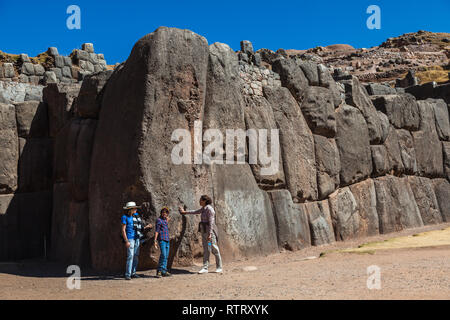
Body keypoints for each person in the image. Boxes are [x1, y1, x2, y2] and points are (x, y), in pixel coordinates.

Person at [179, 195, 223, 274]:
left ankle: (219, 267)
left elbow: (211, 223)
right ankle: (205, 268)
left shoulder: (210, 209)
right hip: (204, 232)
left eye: (200, 200)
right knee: (206, 249)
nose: (199, 202)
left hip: (210, 233)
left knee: (214, 248)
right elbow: (195, 211)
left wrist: (209, 234)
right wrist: (185, 212)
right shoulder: (203, 209)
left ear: (204, 201)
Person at [121, 201, 152, 280]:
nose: (136, 209)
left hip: (137, 238)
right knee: (130, 256)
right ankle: (128, 274)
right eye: (134, 208)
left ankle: (133, 272)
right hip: (130, 238)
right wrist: (126, 241)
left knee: (136, 256)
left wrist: (146, 227)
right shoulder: (125, 217)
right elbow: (123, 230)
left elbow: (138, 228)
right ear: (130, 209)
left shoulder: (135, 217)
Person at [154, 207, 172, 278]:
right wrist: (155, 240)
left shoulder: (165, 220)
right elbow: (157, 230)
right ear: (161, 213)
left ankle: (164, 271)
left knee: (166, 256)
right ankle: (159, 271)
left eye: (166, 212)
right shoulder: (159, 220)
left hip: (167, 240)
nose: (165, 213)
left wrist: (167, 221)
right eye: (163, 212)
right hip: (162, 240)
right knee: (163, 255)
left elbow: (165, 227)